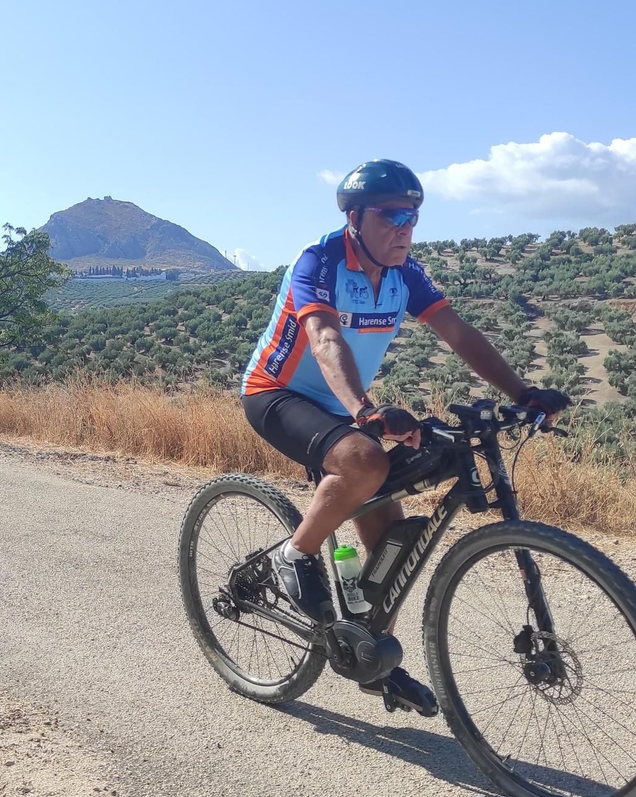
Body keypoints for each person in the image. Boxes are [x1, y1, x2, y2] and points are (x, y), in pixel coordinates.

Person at [240, 159, 570, 714]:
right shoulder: (319, 261)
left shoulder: (405, 273)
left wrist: (522, 392)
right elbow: (322, 337)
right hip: (278, 394)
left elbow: (457, 332)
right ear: (355, 217)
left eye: (413, 217)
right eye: (392, 215)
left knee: (391, 537)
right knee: (365, 463)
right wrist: (364, 409)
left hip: (343, 405)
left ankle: (372, 658)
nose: (404, 228)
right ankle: (294, 556)